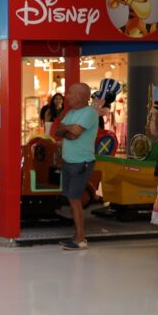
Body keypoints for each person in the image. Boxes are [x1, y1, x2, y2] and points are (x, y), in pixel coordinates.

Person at [53, 82, 97, 250]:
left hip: (81, 163)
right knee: (72, 200)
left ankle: (80, 239)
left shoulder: (90, 113)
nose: (67, 96)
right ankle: (77, 236)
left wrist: (67, 130)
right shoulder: (71, 113)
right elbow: (58, 130)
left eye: (70, 93)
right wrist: (68, 129)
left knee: (75, 199)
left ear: (80, 96)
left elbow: (74, 135)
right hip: (69, 161)